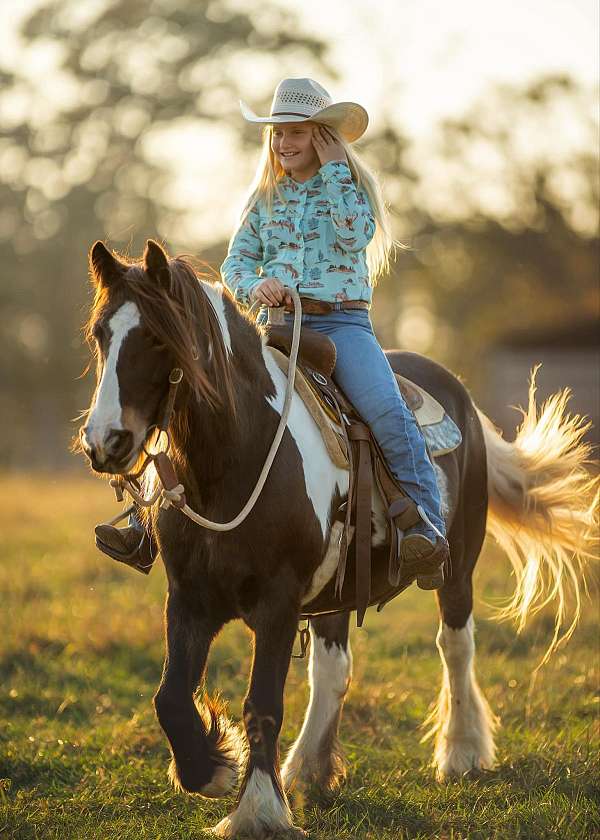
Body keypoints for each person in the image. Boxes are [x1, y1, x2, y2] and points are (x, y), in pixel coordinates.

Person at [220, 77, 449, 585]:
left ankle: (428, 530)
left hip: (341, 324)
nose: (284, 142)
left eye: (297, 131)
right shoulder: (262, 200)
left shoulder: (349, 187)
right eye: (278, 132)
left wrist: (337, 172)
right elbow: (236, 264)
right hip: (275, 326)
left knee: (386, 411)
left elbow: (356, 233)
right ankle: (155, 519)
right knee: (208, 390)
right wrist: (257, 284)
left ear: (324, 135)